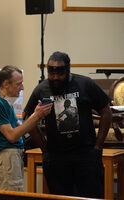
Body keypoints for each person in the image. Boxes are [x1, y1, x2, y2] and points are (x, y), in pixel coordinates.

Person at [24, 51, 112, 198]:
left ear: (68, 70)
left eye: (60, 73)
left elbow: (106, 110)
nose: (55, 77)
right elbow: (28, 118)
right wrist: (44, 149)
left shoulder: (85, 84)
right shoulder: (42, 89)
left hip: (86, 155)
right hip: (57, 157)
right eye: (51, 73)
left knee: (91, 196)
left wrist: (98, 146)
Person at [0, 65, 52, 191]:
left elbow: (21, 127)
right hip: (6, 158)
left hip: (12, 158)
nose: (22, 88)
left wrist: (35, 114)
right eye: (18, 84)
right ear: (6, 84)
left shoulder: (6, 103)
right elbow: (12, 136)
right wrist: (36, 116)